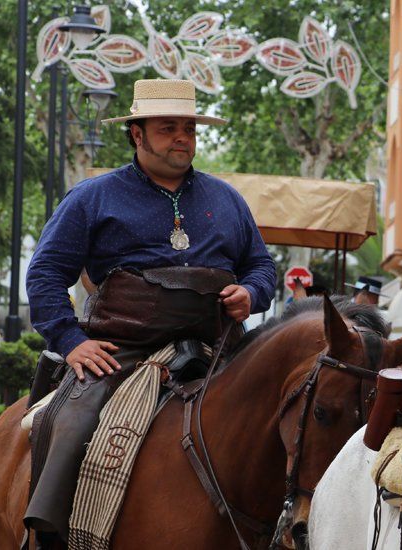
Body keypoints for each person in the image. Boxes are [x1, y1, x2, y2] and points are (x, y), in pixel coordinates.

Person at [24, 78, 276, 543]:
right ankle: (50, 538)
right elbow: (44, 276)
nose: (183, 137)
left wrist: (252, 293)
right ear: (137, 134)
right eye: (168, 128)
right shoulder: (91, 197)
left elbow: (261, 265)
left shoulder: (228, 199)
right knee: (72, 423)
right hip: (121, 349)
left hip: (218, 349)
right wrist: (71, 342)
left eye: (189, 128)